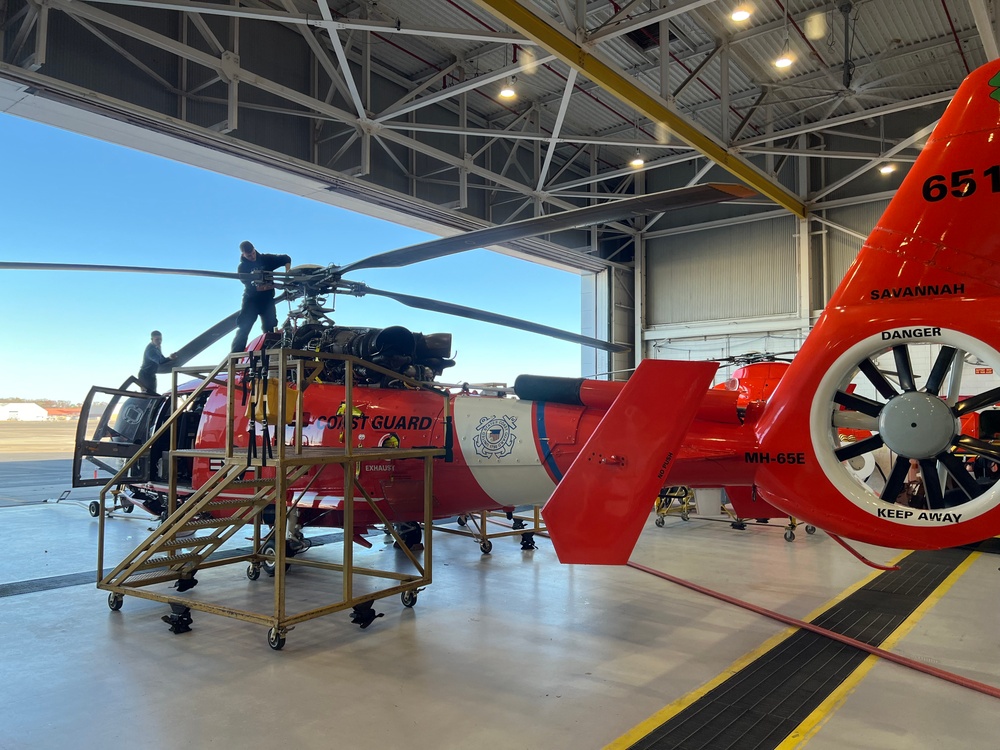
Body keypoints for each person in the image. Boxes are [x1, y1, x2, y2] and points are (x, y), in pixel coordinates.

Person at [231, 240, 292, 353]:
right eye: (249, 255)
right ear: (243, 254)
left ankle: (269, 357)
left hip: (267, 302)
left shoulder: (266, 259)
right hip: (251, 302)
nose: (252, 256)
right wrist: (276, 285)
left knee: (270, 330)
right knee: (244, 329)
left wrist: (287, 274)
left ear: (254, 249)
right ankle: (235, 357)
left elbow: (286, 258)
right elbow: (256, 288)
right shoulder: (242, 268)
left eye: (253, 253)